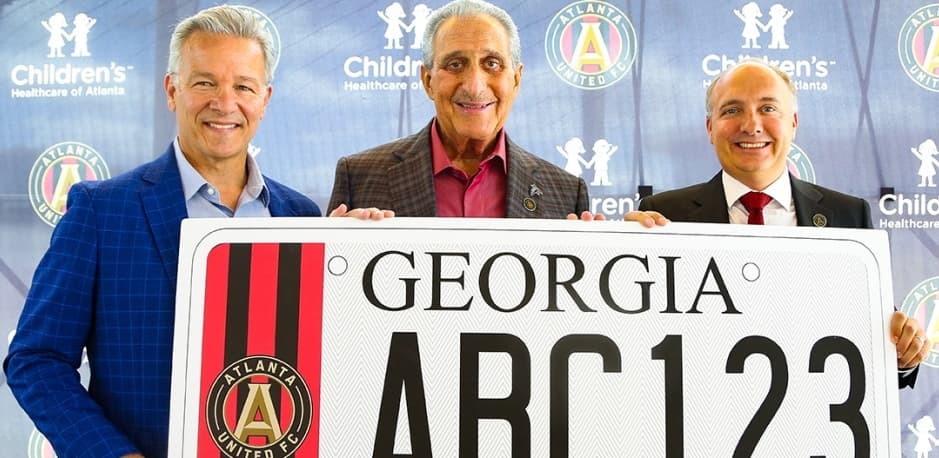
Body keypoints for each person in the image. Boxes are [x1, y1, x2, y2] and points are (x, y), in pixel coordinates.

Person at [1, 6, 383, 458]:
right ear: (171, 90)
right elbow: (36, 359)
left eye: (243, 86)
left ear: (265, 99)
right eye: (204, 83)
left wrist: (351, 261)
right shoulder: (101, 211)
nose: (225, 103)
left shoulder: (299, 215)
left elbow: (323, 361)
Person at [637, 58, 930, 387]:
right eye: (732, 110)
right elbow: (637, 341)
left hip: (814, 410)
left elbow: (876, 344)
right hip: (702, 405)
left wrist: (903, 353)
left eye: (768, 108)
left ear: (793, 123)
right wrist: (611, 246)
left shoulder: (848, 216)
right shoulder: (663, 216)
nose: (751, 125)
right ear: (710, 128)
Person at [328, 0, 593, 220]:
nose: (474, 86)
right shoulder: (358, 177)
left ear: (516, 79)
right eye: (455, 64)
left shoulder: (566, 192)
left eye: (492, 63)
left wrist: (600, 251)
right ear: (428, 81)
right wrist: (337, 244)